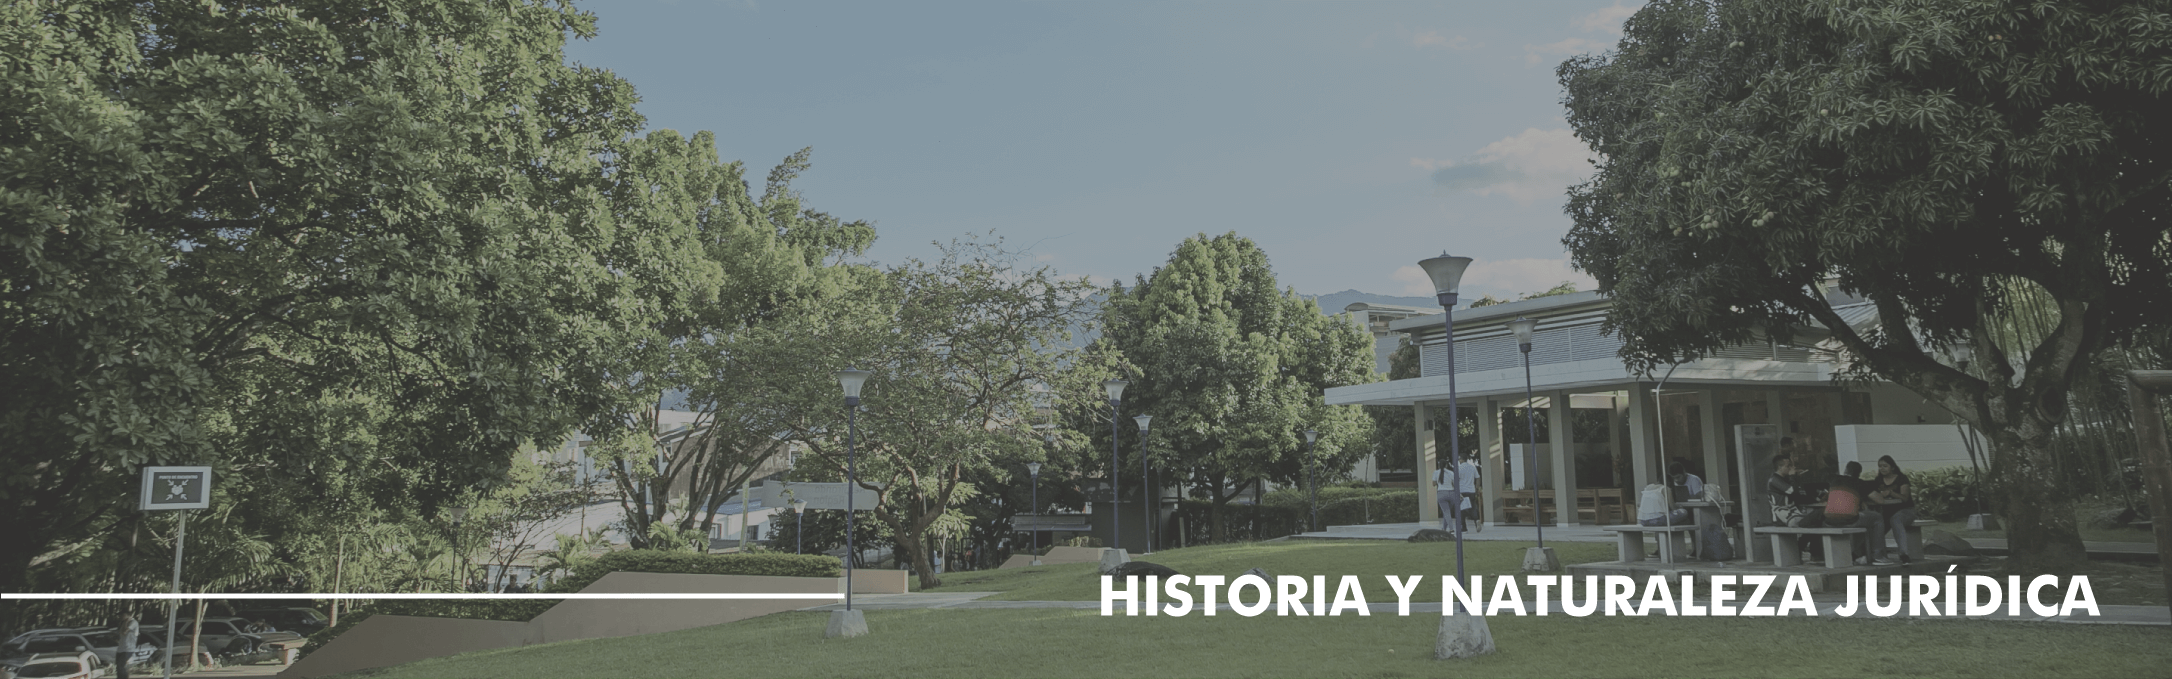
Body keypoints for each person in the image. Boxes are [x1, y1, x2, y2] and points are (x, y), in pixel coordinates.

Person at [1818, 461, 1891, 565]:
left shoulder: (1834, 480)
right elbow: (1880, 500)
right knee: (1877, 518)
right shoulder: (1860, 483)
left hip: (1828, 520)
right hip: (1849, 519)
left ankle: (1858, 553)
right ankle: (1878, 555)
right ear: (1859, 473)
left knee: (1862, 518)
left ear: (1845, 470)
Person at [1868, 455, 1918, 565]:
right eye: (1880, 466)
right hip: (1886, 512)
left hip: (1905, 510)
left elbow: (1905, 498)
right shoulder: (1878, 480)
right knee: (1875, 525)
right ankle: (1876, 555)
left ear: (1892, 467)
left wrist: (1891, 493)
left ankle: (1904, 554)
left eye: (1885, 466)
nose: (1882, 468)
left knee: (1895, 520)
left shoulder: (1901, 478)